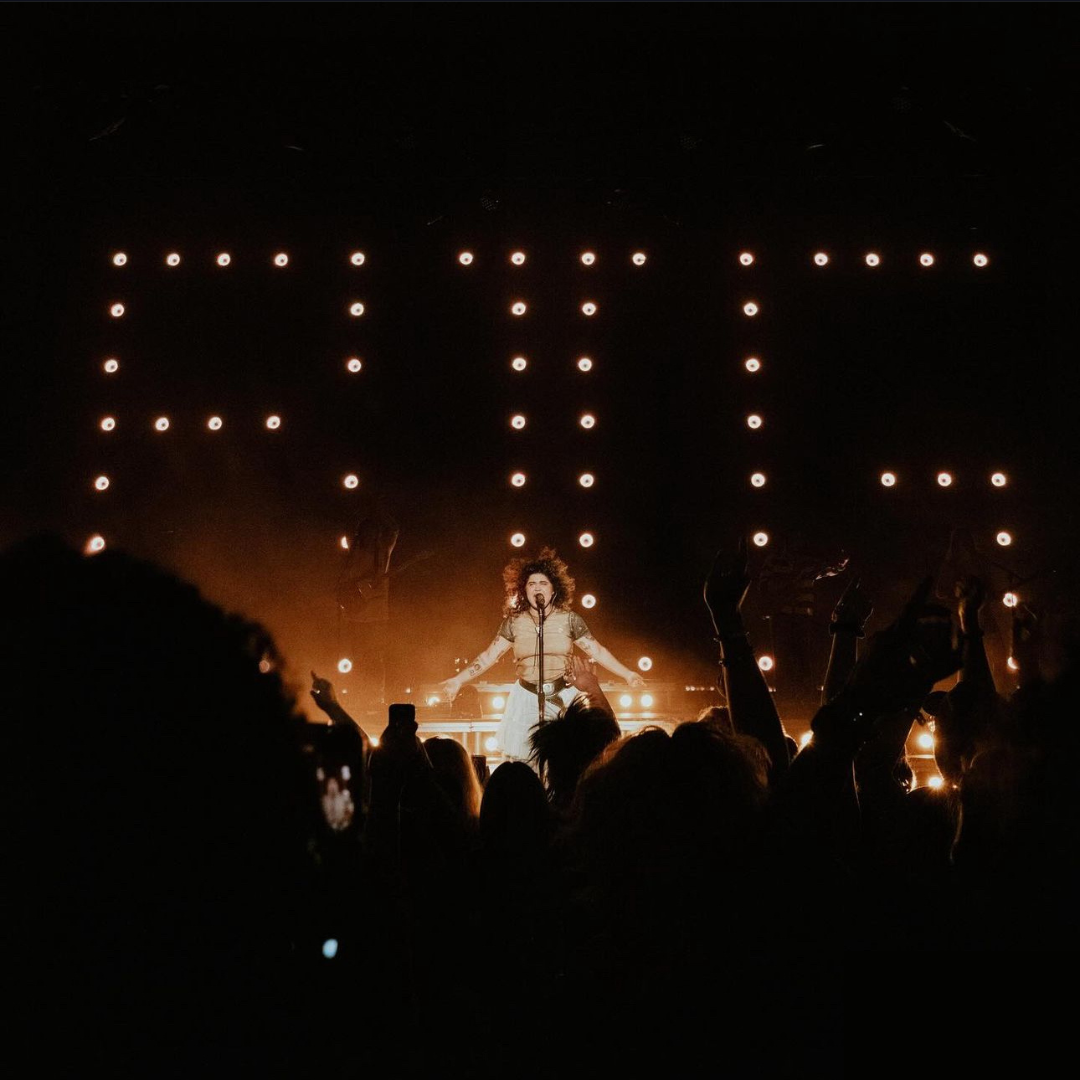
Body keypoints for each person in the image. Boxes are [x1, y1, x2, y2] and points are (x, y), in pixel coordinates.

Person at [439, 547, 644, 762]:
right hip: (525, 697)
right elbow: (488, 656)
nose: (537, 587)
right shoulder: (514, 622)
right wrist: (457, 680)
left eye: (543, 583)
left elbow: (597, 650)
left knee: (565, 758)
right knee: (528, 761)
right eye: (532, 583)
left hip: (562, 696)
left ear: (554, 589)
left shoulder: (569, 619)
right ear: (524, 590)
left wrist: (628, 674)